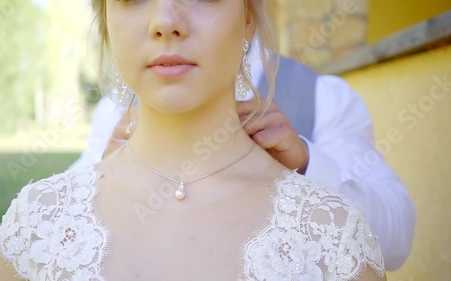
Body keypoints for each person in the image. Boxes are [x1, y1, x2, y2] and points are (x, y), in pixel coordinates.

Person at [0, 0, 387, 280]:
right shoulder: (37, 226)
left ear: (249, 17)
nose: (165, 20)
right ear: (106, 19)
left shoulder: (333, 235)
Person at [70, 16, 416, 275]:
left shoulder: (323, 98)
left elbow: (395, 244)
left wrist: (308, 164)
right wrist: (106, 176)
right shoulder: (114, 113)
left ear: (249, 15)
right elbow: (61, 243)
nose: (168, 21)